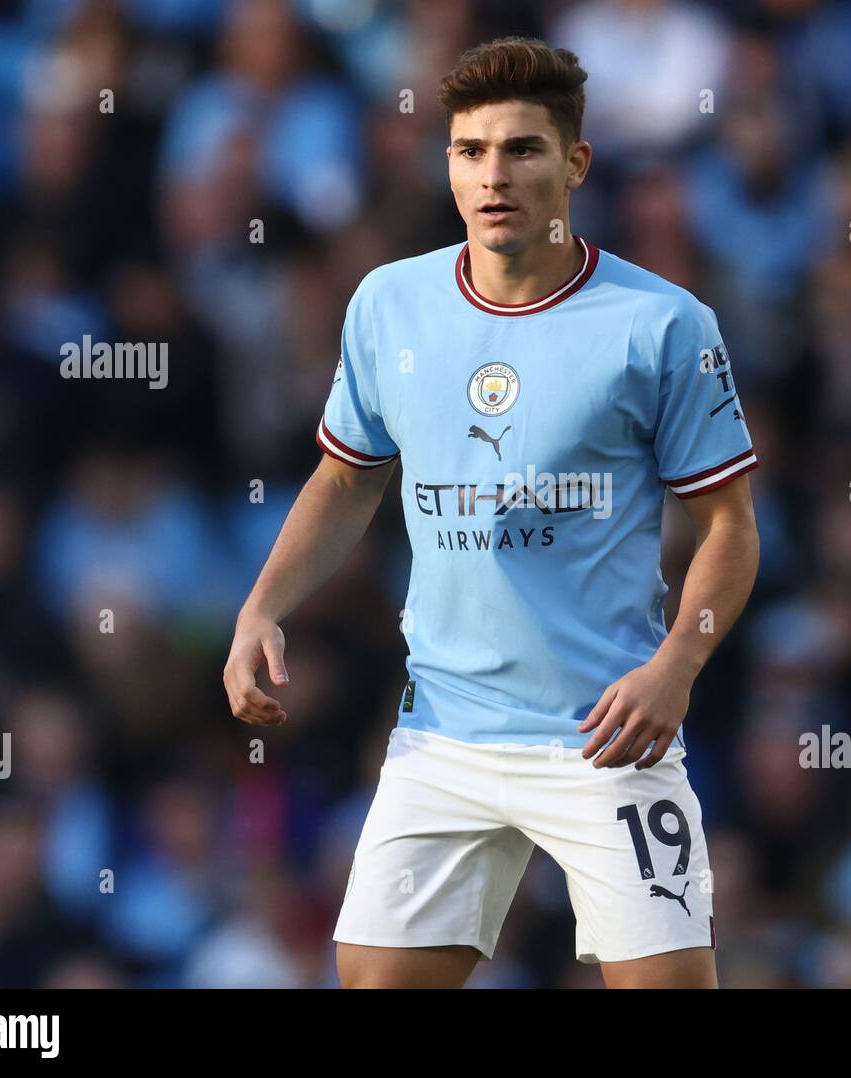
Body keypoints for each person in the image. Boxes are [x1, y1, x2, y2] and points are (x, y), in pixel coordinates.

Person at [223, 36, 760, 989]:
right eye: (471, 151)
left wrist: (676, 666)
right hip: (446, 731)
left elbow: (729, 525)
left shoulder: (662, 325)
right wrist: (262, 605)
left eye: (522, 149)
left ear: (576, 164)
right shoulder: (390, 304)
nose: (494, 175)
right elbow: (347, 479)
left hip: (606, 732)